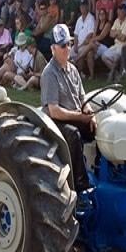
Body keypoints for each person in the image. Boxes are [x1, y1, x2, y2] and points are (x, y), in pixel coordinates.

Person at [40, 24, 96, 194]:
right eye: (63, 45)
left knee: (100, 129)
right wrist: (81, 117)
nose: (67, 48)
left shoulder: (73, 70)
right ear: (53, 49)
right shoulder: (49, 73)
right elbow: (54, 111)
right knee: (73, 135)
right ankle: (80, 186)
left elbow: (82, 98)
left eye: (69, 44)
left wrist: (90, 112)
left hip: (75, 116)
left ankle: (102, 172)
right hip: (56, 122)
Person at [102, 3, 126, 80]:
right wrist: (118, 33)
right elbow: (111, 34)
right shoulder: (117, 20)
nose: (118, 14)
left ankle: (112, 75)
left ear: (125, 12)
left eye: (120, 12)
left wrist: (116, 33)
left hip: (124, 46)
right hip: (116, 45)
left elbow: (123, 38)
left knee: (116, 58)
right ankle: (116, 73)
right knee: (104, 56)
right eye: (118, 12)